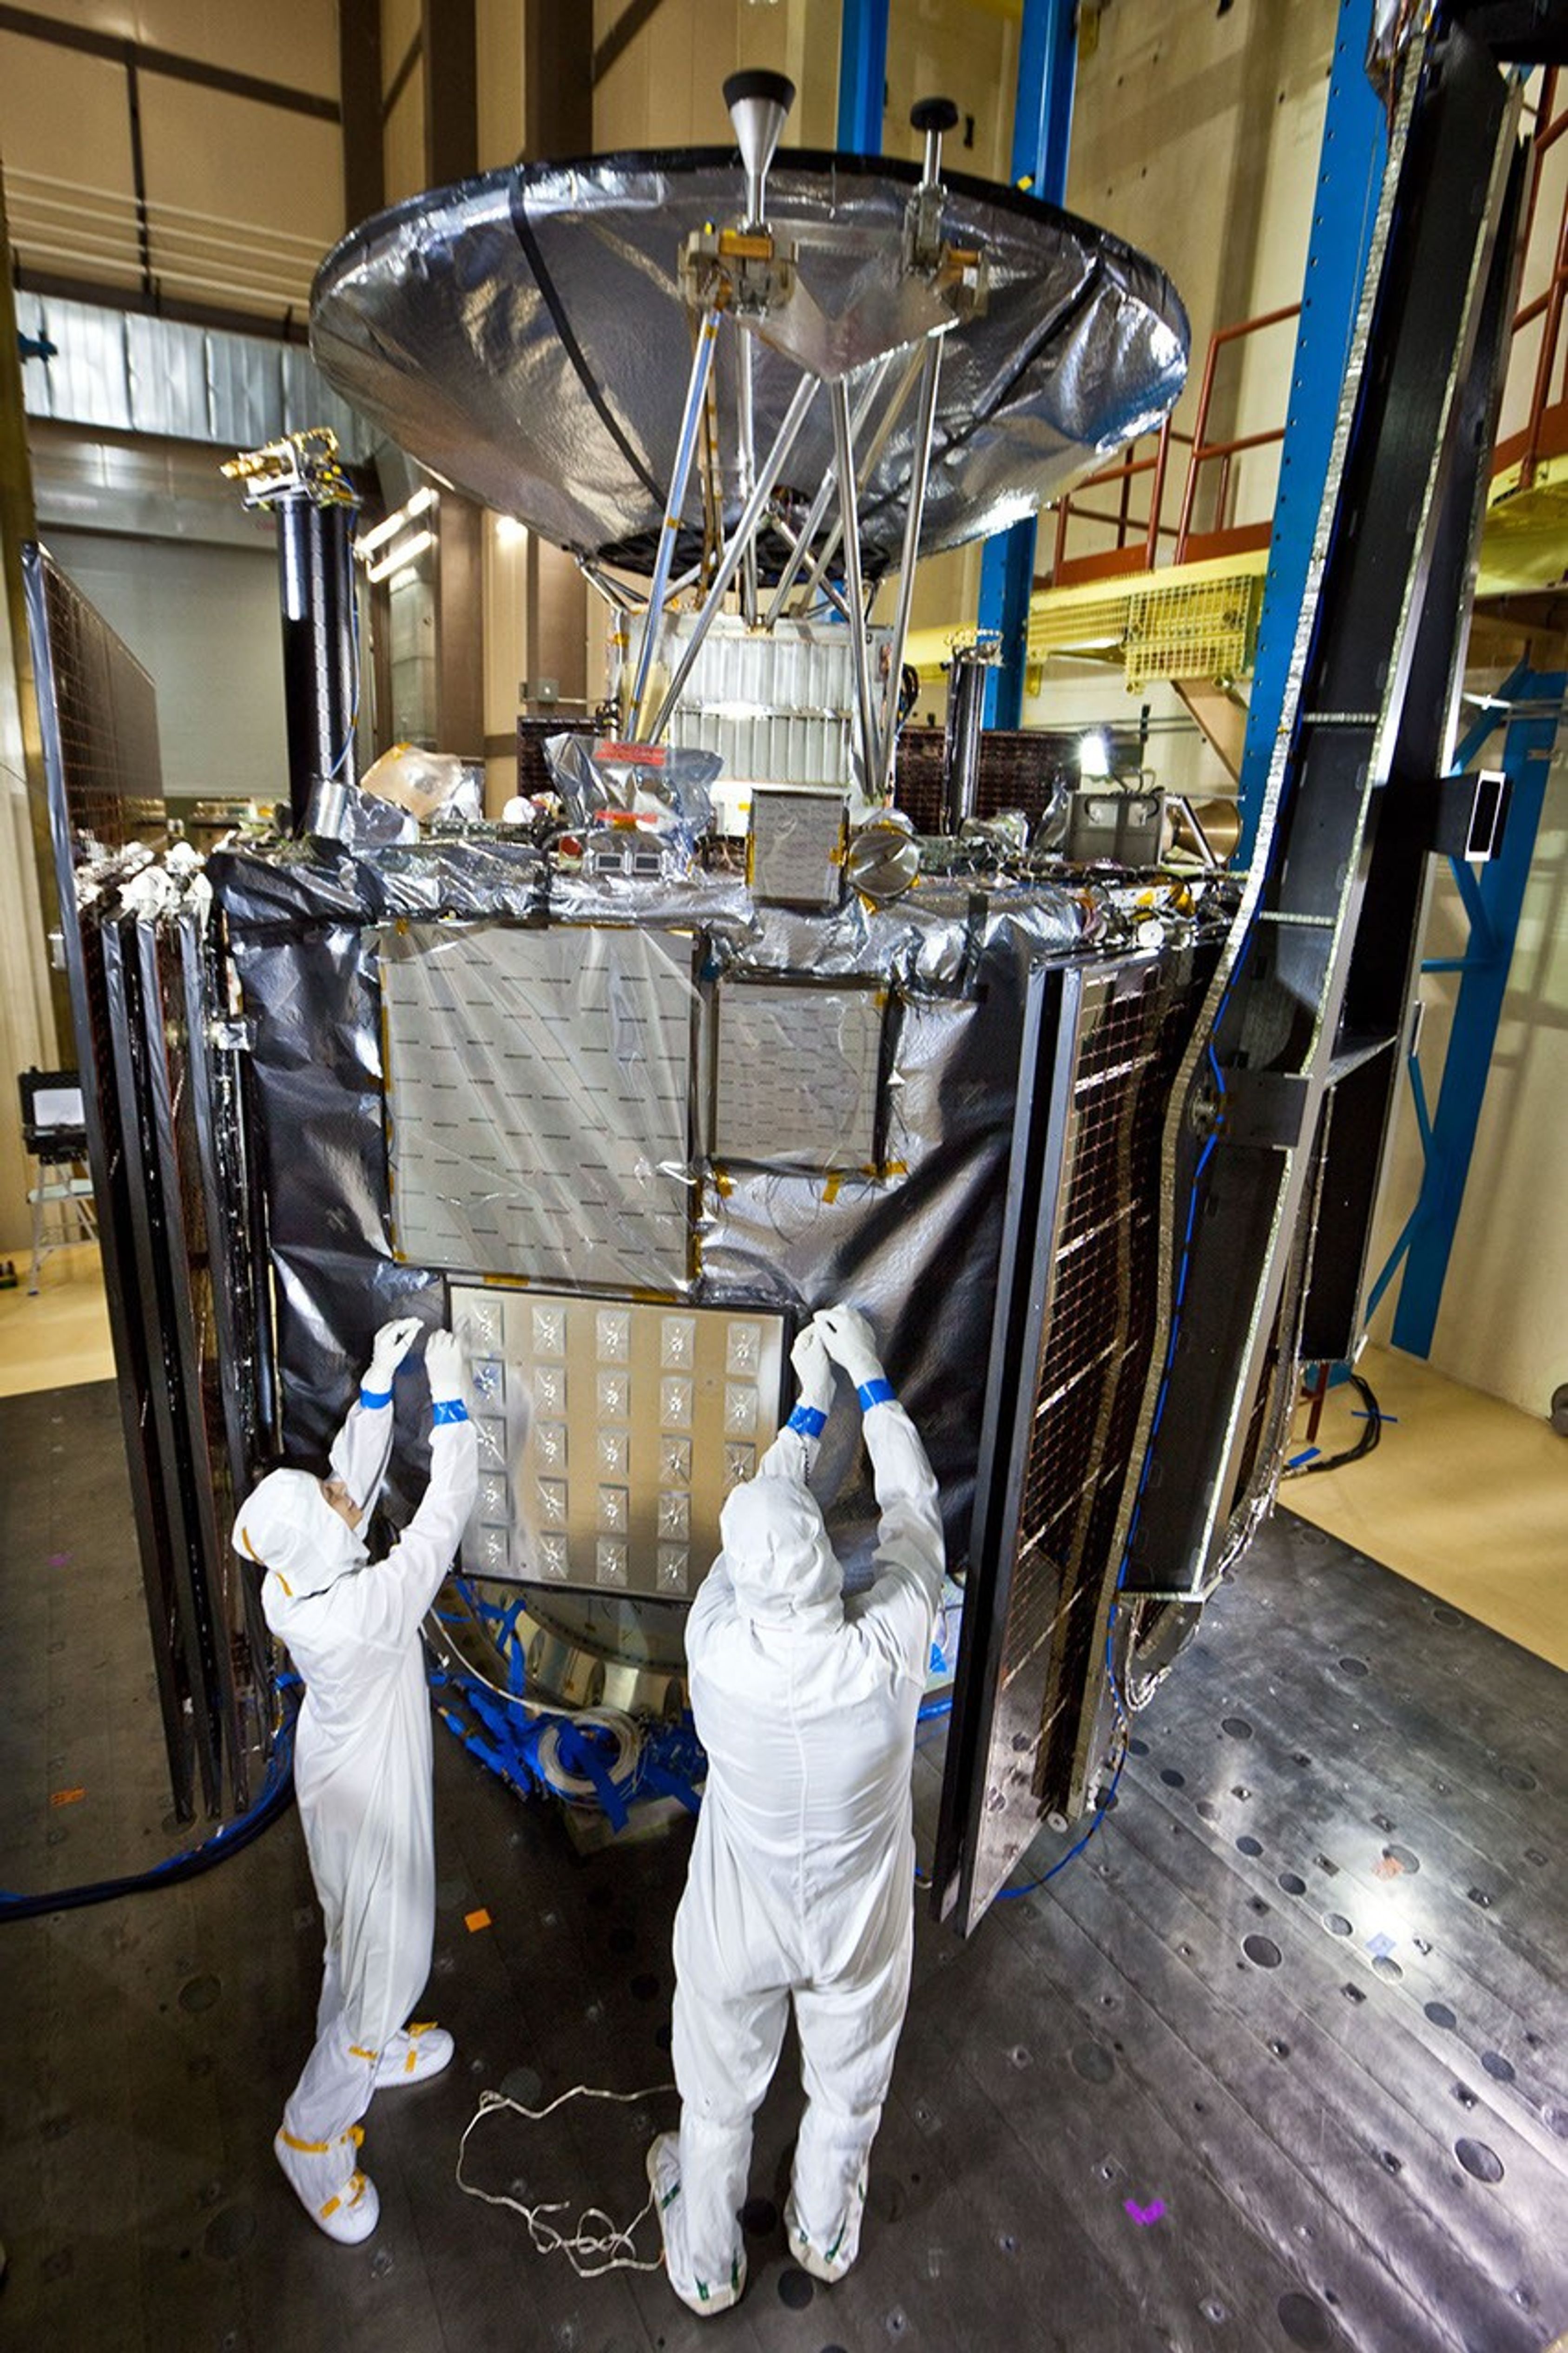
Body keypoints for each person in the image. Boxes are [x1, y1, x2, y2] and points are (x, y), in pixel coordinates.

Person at [648, 1302, 945, 2314]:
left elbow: (751, 1538)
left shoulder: (715, 1650)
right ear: (823, 1558)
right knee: (847, 2089)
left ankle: (704, 2269)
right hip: (857, 1929)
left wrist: (805, 1409)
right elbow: (914, 1513)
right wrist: (869, 1381)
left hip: (740, 1922)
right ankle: (822, 2234)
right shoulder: (888, 1649)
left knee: (715, 2099)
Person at [232, 1317, 478, 2244]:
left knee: (353, 1937)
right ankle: (314, 2136)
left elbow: (346, 1492)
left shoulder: (299, 1581)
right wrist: (452, 1404)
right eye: (329, 1502)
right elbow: (441, 1521)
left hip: (338, 1774)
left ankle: (367, 2043)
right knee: (391, 1959)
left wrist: (377, 1387)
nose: (341, 1495)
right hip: (371, 1786)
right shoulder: (362, 1614)